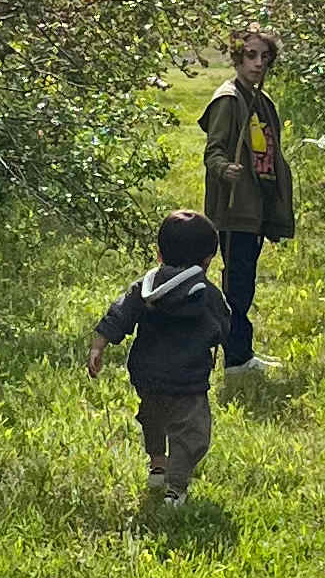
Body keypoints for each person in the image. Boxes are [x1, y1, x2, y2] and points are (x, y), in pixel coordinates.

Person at [86, 207, 231, 506]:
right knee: (191, 434)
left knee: (154, 417)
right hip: (188, 380)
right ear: (207, 260)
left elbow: (119, 314)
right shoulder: (206, 293)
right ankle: (175, 488)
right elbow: (222, 327)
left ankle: (158, 465)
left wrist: (99, 344)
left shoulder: (145, 288)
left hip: (147, 375)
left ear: (159, 254)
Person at [199, 27, 295, 372]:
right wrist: (226, 170)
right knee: (236, 283)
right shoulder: (228, 98)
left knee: (245, 278)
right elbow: (213, 152)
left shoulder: (260, 100)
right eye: (251, 55)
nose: (258, 63)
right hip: (233, 208)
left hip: (257, 205)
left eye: (264, 57)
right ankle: (235, 359)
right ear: (237, 57)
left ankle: (240, 352)